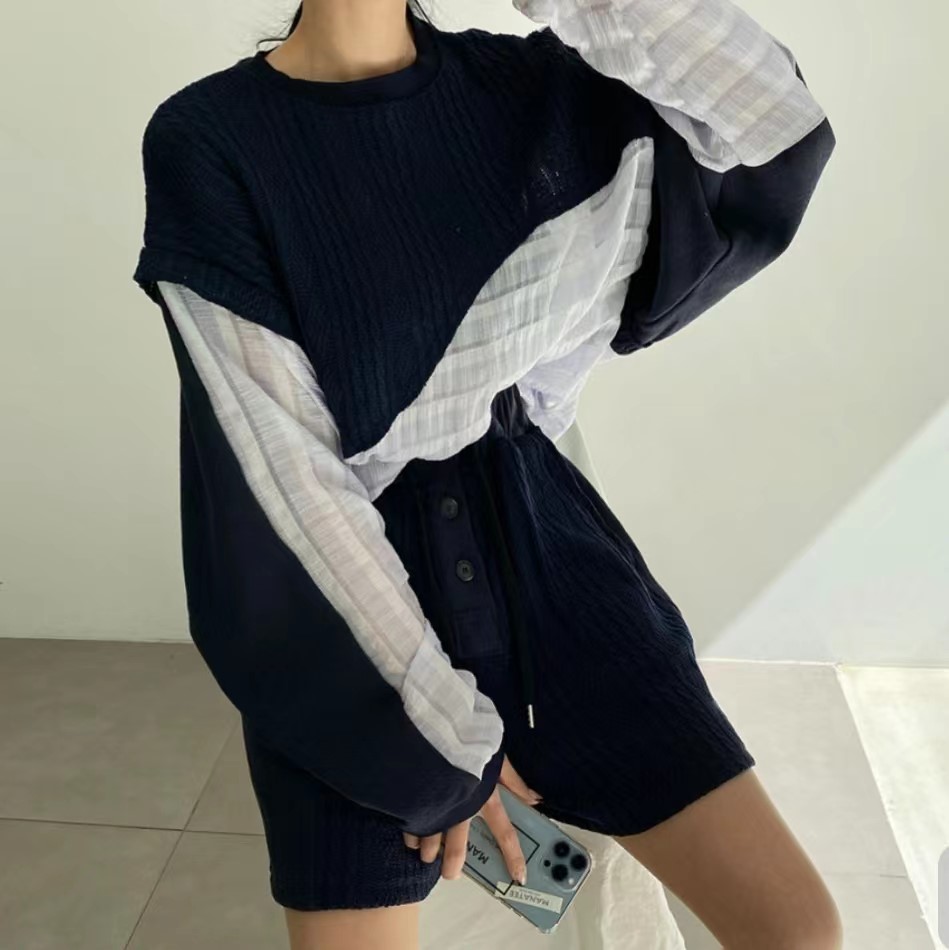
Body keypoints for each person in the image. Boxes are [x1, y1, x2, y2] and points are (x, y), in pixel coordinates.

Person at [131, 0, 841, 947]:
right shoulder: (210, 136)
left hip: (541, 533)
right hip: (345, 588)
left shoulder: (538, 87)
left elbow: (768, 128)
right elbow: (276, 462)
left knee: (798, 930)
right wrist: (437, 755)